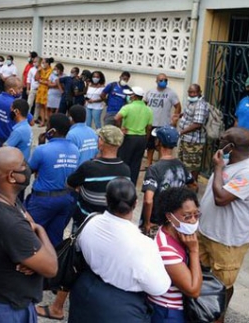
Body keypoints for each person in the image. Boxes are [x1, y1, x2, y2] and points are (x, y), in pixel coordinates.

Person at [37, 125, 130, 321]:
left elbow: (70, 184)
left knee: (74, 262)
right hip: (111, 224)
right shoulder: (125, 168)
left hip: (85, 223)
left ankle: (58, 307)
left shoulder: (89, 166)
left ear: (102, 142)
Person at [68, 177, 171, 323]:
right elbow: (159, 287)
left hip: (84, 293)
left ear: (106, 199)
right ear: (135, 203)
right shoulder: (144, 245)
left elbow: (78, 247)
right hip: (120, 308)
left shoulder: (90, 221)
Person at [0, 147, 58, 323]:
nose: (28, 167)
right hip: (9, 306)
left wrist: (30, 254)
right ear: (12, 176)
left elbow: (28, 223)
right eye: (23, 164)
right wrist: (40, 232)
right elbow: (51, 267)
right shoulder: (10, 223)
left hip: (3, 295)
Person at [198, 127, 249, 323]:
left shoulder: (246, 171)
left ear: (232, 146)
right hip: (206, 232)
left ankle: (219, 317)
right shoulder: (229, 161)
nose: (218, 141)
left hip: (227, 240)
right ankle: (203, 310)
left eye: (222, 139)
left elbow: (221, 198)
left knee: (223, 285)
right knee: (202, 276)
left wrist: (218, 167)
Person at [149, 187, 202, 323]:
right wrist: (194, 251)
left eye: (196, 215)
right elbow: (193, 290)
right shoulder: (166, 250)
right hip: (169, 311)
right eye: (187, 216)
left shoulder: (175, 233)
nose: (192, 221)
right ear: (169, 216)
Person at [26, 114, 81, 246]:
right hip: (65, 200)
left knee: (28, 233)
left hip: (43, 201)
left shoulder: (42, 150)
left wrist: (40, 144)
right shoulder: (75, 150)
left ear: (53, 130)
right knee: (55, 239)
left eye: (48, 125)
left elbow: (29, 170)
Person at [141, 126, 195, 237]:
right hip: (173, 221)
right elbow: (193, 186)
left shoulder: (154, 169)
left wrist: (146, 223)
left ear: (158, 142)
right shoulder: (181, 166)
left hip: (155, 221)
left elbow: (148, 200)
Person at [115, 86, 153, 185]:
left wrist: (120, 129)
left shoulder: (127, 107)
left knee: (124, 162)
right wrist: (146, 138)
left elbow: (117, 118)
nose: (129, 97)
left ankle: (121, 183)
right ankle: (132, 184)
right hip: (141, 138)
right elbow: (149, 127)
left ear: (135, 96)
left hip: (128, 137)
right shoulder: (148, 110)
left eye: (130, 95)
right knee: (136, 164)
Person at [144, 73, 181, 168]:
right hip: (151, 123)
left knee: (162, 145)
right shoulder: (150, 92)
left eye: (165, 80)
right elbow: (144, 104)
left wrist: (174, 120)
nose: (163, 82)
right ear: (156, 81)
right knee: (150, 145)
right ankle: (149, 163)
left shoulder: (171, 93)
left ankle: (161, 164)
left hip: (164, 124)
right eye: (161, 80)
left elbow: (178, 106)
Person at [177, 84, 209, 182]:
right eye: (190, 92)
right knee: (183, 163)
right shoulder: (191, 102)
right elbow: (190, 114)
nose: (191, 94)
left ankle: (192, 186)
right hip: (186, 139)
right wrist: (180, 115)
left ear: (199, 92)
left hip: (194, 142)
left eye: (194, 92)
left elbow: (197, 124)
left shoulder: (200, 105)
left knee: (192, 166)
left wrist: (181, 132)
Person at [0, 77, 25, 149]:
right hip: (11, 141)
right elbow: (31, 121)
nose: (21, 90)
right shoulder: (15, 104)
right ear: (11, 90)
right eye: (19, 88)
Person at [35, 57, 54, 127]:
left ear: (48, 63)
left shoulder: (51, 71)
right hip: (41, 90)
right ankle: (42, 122)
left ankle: (48, 123)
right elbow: (36, 78)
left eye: (43, 63)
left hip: (47, 90)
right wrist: (38, 71)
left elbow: (49, 82)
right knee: (41, 106)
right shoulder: (41, 70)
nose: (42, 64)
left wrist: (41, 81)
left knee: (47, 107)